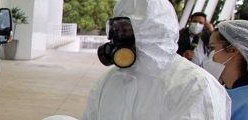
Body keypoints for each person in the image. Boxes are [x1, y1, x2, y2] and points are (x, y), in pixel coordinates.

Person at [82, 0, 230, 119]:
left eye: (125, 30)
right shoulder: (109, 80)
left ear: (155, 31)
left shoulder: (196, 86)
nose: (116, 39)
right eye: (116, 30)